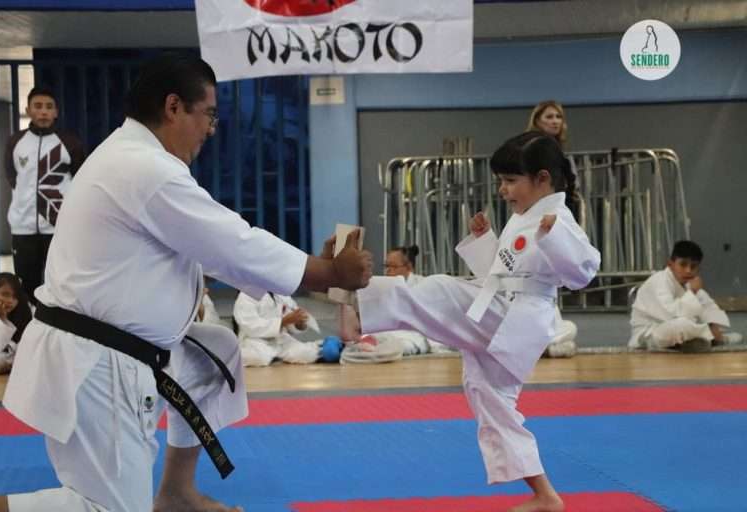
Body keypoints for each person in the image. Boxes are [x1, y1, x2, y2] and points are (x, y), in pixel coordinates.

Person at [0, 54, 371, 512]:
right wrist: (327, 273)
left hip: (109, 344)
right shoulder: (144, 169)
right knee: (108, 509)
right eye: (209, 114)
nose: (211, 129)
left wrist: (313, 269)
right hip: (94, 361)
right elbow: (233, 243)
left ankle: (176, 492)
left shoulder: (129, 156)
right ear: (173, 107)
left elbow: (213, 248)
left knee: (213, 355)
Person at [352, 131, 600, 512]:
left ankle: (358, 307)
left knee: (439, 290)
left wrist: (554, 236)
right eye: (501, 180)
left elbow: (584, 273)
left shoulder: (558, 220)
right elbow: (504, 272)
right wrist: (486, 242)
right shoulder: (525, 216)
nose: (503, 190)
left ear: (542, 178)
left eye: (510, 180)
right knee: (489, 399)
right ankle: (545, 495)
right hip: (504, 309)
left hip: (516, 316)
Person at [5, 87, 86, 304]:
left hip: (58, 227)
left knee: (60, 284)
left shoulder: (70, 143)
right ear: (27, 110)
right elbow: (11, 176)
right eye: (38, 106)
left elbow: (80, 180)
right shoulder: (15, 142)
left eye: (49, 107)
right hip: (23, 228)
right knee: (26, 287)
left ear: (56, 112)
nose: (43, 112)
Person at [527, 101, 578, 358]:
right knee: (538, 272)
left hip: (559, 215)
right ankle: (539, 336)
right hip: (537, 217)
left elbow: (569, 186)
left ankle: (549, 337)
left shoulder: (560, 153)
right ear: (537, 120)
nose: (555, 121)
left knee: (553, 274)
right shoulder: (529, 150)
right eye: (549, 116)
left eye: (559, 116)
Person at [628, 240, 743, 353]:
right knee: (682, 325)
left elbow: (708, 306)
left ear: (699, 269)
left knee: (694, 325)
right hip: (649, 334)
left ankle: (702, 339)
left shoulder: (689, 284)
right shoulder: (659, 281)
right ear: (670, 264)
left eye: (693, 266)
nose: (688, 270)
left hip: (678, 328)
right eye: (683, 264)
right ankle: (714, 339)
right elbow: (670, 316)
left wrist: (713, 325)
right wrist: (692, 291)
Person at [233, 291, 322, 367]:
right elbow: (250, 325)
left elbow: (291, 320)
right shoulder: (246, 296)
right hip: (255, 340)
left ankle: (323, 345)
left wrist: (299, 323)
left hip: (280, 339)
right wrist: (282, 322)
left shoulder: (281, 294)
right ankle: (231, 355)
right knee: (259, 358)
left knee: (307, 353)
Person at [0, 273, 32, 375]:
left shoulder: (24, 310)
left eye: (14, 297)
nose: (10, 300)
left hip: (6, 355)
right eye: (5, 294)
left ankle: (0, 365)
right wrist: (2, 318)